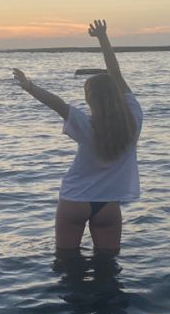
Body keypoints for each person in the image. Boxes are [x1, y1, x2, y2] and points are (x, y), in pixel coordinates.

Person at [13, 19, 142, 255]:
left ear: (91, 99)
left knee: (67, 263)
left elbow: (57, 104)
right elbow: (116, 73)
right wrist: (103, 38)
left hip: (74, 200)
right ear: (115, 94)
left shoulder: (86, 125)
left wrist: (29, 86)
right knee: (108, 266)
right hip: (108, 205)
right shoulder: (134, 117)